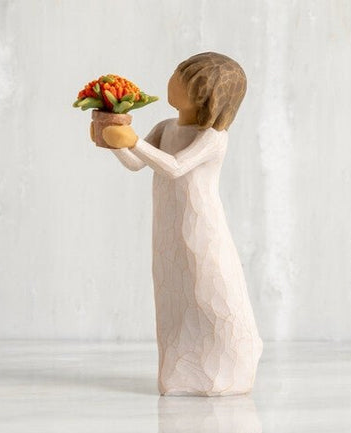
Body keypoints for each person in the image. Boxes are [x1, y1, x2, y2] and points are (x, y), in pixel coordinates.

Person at [93, 52, 263, 396]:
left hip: (203, 229)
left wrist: (132, 141)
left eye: (182, 79)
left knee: (211, 291)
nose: (172, 81)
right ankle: (182, 372)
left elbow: (174, 166)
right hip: (168, 229)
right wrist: (111, 139)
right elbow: (136, 164)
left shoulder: (213, 137)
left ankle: (227, 366)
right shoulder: (166, 127)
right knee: (175, 295)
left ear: (204, 95)